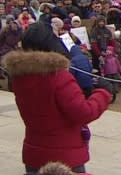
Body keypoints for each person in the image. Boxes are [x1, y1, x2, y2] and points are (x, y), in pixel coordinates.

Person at [4, 34, 112, 173]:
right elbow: (84, 112)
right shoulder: (58, 77)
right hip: (64, 156)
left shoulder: (20, 76)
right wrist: (103, 93)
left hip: (34, 152)